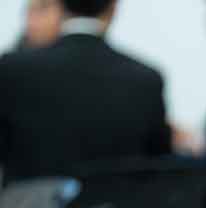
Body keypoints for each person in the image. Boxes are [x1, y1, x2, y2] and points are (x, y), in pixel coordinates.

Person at [0, 0, 171, 184]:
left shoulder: (12, 69)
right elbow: (158, 167)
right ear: (113, 7)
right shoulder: (146, 79)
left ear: (61, 6)